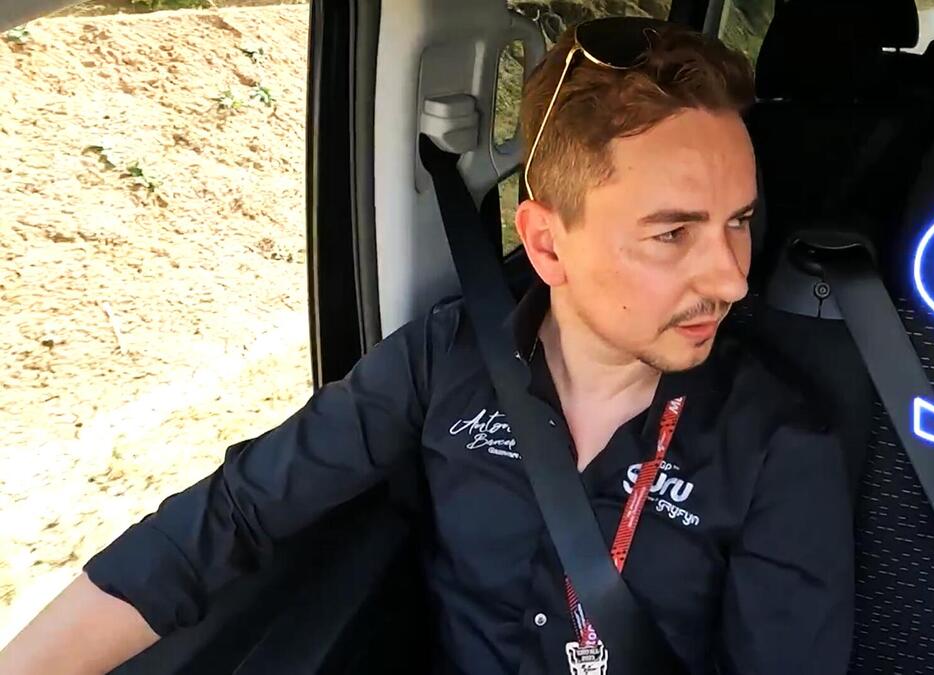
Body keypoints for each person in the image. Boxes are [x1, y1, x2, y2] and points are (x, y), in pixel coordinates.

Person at [0, 18, 853, 675]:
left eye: (739, 221)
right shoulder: (445, 360)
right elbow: (232, 515)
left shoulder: (781, 446)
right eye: (674, 233)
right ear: (546, 244)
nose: (733, 277)